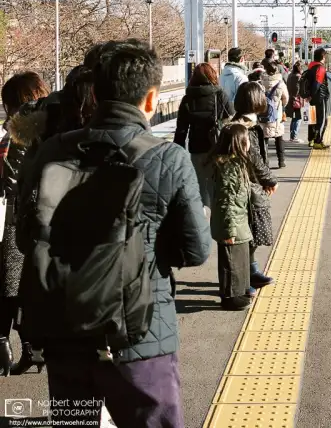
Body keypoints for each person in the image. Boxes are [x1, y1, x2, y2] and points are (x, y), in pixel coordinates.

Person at [16, 39, 211, 428]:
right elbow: (195, 250)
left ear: (95, 93)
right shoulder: (168, 158)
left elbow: (26, 239)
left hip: (64, 329)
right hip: (141, 335)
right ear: (152, 99)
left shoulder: (51, 151)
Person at [0, 71, 50, 376]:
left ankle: (15, 344)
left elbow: (11, 179)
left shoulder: (19, 130)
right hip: (53, 214)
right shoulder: (60, 121)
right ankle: (33, 348)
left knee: (11, 282)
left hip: (20, 216)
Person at [208, 123, 275, 310]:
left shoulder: (233, 163)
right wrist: (229, 230)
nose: (249, 145)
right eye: (247, 141)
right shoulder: (229, 168)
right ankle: (231, 297)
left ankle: (242, 289)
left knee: (240, 259)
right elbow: (227, 202)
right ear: (239, 143)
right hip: (232, 225)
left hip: (239, 222)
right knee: (231, 263)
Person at [231, 82, 277, 296]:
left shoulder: (243, 123)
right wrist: (269, 180)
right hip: (247, 189)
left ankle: (252, 271)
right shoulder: (244, 128)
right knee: (246, 235)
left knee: (250, 235)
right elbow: (255, 159)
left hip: (248, 187)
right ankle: (242, 279)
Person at [174, 62, 234, 212]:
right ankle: (218, 220)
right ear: (213, 76)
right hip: (218, 147)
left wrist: (177, 154)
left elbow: (181, 130)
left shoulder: (187, 99)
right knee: (219, 184)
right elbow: (231, 118)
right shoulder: (220, 94)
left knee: (200, 185)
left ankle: (202, 219)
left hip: (197, 148)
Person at [260, 61, 289, 169]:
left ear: (266, 70)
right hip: (277, 114)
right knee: (279, 138)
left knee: (264, 139)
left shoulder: (261, 82)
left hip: (263, 113)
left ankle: (265, 163)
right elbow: (286, 98)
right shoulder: (280, 84)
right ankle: (281, 161)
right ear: (276, 70)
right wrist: (281, 106)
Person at [307, 48, 330, 150]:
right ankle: (318, 141)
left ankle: (311, 139)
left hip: (312, 98)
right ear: (323, 57)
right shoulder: (320, 68)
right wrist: (312, 94)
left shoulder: (311, 67)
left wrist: (309, 96)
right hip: (320, 97)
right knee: (323, 120)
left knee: (312, 119)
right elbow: (317, 83)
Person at [285, 60, 304, 143]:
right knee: (298, 118)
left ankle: (292, 136)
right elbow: (298, 90)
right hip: (296, 100)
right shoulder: (298, 77)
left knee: (294, 118)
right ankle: (294, 137)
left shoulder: (290, 75)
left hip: (290, 99)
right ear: (300, 69)